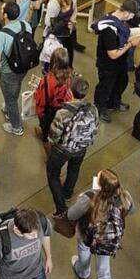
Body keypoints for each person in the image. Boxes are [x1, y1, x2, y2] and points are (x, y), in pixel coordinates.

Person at [67, 168, 134, 279]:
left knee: (84, 251)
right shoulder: (124, 197)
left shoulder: (88, 198)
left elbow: (71, 215)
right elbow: (131, 210)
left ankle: (83, 272)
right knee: (104, 256)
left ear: (100, 184)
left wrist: (81, 198)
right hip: (109, 237)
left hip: (87, 234)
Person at [46, 75, 99, 215]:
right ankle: (68, 192)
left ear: (70, 91)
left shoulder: (63, 113)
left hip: (62, 149)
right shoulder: (93, 109)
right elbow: (95, 130)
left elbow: (53, 135)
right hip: (81, 148)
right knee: (74, 169)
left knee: (53, 174)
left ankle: (61, 207)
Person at [94, 0, 140, 122]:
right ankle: (100, 108)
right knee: (105, 87)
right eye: (132, 15)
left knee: (122, 81)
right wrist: (131, 44)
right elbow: (113, 54)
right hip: (108, 64)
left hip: (120, 62)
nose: (132, 18)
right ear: (126, 13)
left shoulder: (118, 20)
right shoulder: (109, 30)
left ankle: (114, 103)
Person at [0, 1, 33, 136]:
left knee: (11, 99)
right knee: (16, 87)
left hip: (9, 72)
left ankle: (16, 126)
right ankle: (8, 106)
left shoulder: (1, 35)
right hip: (24, 67)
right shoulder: (25, 25)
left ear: (5, 15)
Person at [35, 48, 73, 140]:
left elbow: (41, 100)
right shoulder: (70, 77)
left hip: (48, 112)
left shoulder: (46, 80)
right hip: (62, 112)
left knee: (46, 131)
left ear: (53, 62)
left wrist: (40, 114)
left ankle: (45, 139)